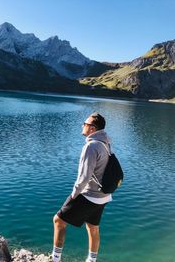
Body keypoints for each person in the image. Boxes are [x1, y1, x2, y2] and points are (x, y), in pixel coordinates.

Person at [52, 112, 112, 262]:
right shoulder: (106, 143)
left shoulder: (91, 146)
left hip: (89, 194)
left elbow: (84, 177)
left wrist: (74, 193)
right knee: (93, 227)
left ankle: (55, 259)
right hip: (103, 196)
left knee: (58, 221)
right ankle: (91, 260)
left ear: (92, 128)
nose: (82, 126)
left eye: (84, 124)